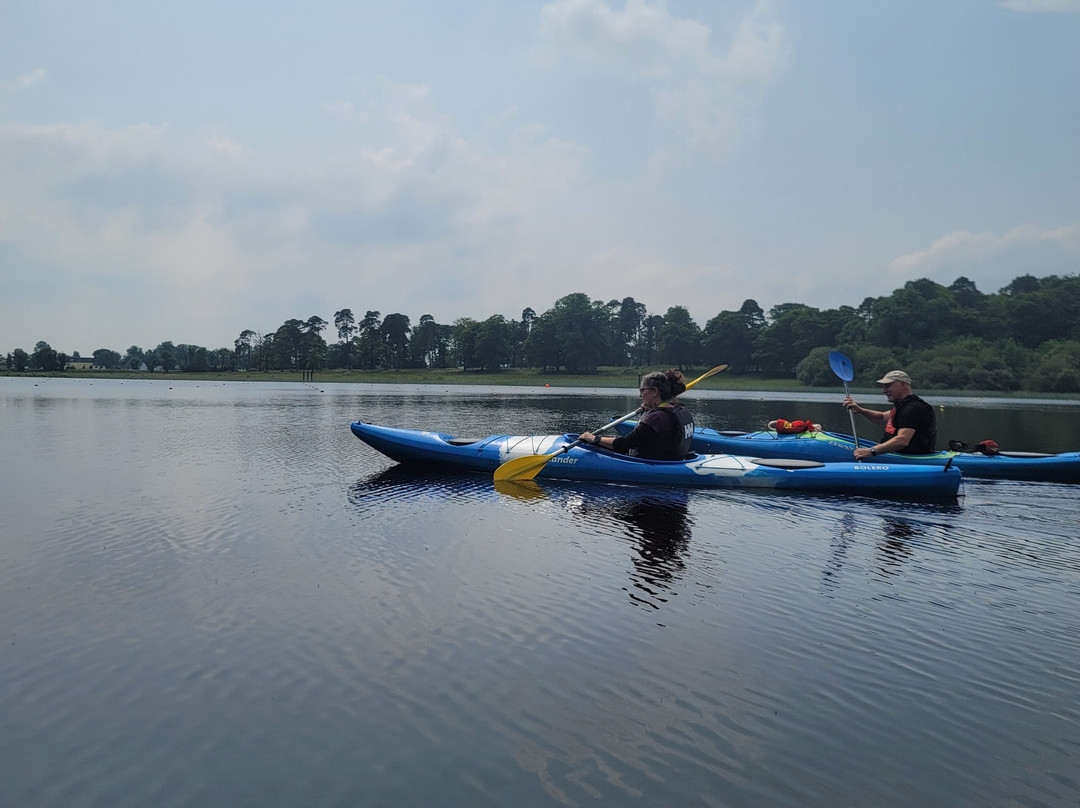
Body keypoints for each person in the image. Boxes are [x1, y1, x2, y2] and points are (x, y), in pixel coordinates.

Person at [580, 369, 694, 460]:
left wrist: (594, 439)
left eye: (642, 391)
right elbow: (646, 435)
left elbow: (623, 444)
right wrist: (649, 412)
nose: (640, 396)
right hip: (675, 461)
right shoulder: (681, 409)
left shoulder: (656, 418)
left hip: (655, 465)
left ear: (654, 391)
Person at [843, 370, 937, 459]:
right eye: (884, 387)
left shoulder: (911, 409)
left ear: (903, 385)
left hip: (909, 459)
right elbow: (881, 417)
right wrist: (860, 410)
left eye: (888, 386)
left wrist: (871, 451)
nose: (884, 390)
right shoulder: (903, 406)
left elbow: (902, 440)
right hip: (895, 455)